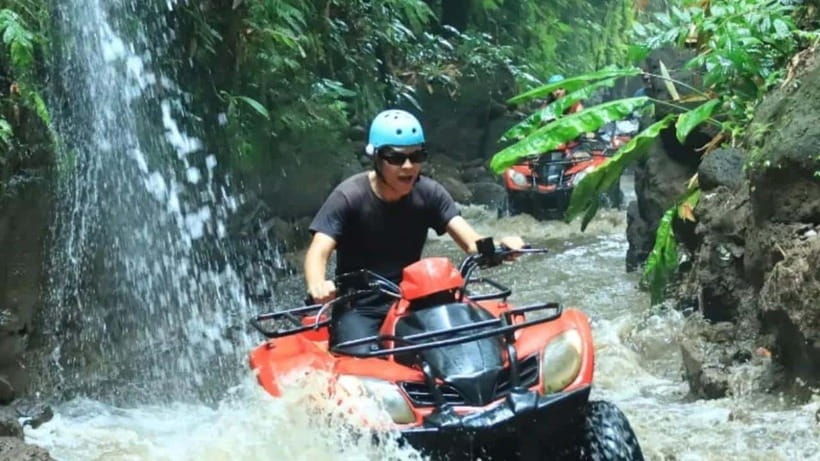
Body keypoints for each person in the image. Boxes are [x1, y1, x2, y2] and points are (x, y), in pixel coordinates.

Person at [305, 109, 524, 353]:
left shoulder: (430, 193)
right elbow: (319, 251)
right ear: (376, 158)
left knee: (477, 340)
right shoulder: (348, 196)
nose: (408, 166)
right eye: (396, 158)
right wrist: (317, 284)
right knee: (358, 359)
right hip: (361, 305)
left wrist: (501, 246)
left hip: (416, 297)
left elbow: (472, 243)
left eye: (417, 156)